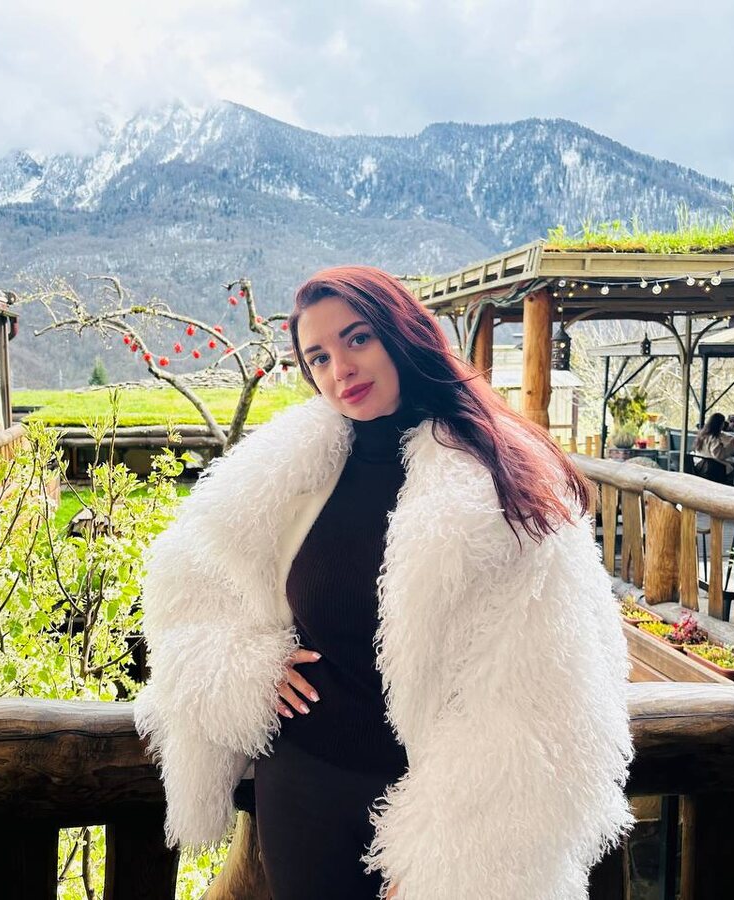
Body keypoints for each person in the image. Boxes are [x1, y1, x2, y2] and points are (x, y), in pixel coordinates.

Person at [132, 266, 635, 899]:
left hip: (446, 810)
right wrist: (242, 665)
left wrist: (448, 858)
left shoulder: (498, 482)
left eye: (357, 338)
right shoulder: (281, 473)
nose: (340, 368)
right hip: (302, 786)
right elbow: (190, 591)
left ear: (401, 333)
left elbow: (546, 691)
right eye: (318, 357)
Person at [692, 413, 734, 483]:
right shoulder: (714, 438)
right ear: (720, 424)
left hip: (700, 466)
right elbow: (719, 455)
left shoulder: (702, 435)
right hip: (713, 468)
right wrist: (731, 444)